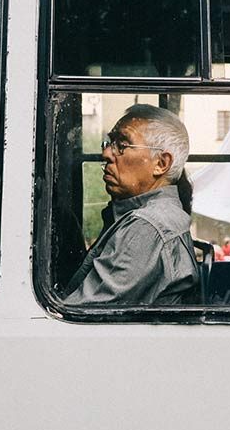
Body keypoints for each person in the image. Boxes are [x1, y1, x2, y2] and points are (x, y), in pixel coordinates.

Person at [63, 104, 200, 305]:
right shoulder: (156, 217)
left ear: (161, 164)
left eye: (122, 145)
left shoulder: (147, 226)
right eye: (110, 143)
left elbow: (79, 315)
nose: (107, 154)